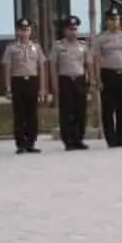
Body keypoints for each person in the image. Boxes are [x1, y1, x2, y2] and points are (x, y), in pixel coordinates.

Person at [2, 17, 46, 154]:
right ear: (17, 31)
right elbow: (7, 68)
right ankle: (20, 144)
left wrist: (42, 88)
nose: (24, 33)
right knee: (19, 114)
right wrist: (8, 87)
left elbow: (41, 68)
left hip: (32, 81)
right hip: (18, 81)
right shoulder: (11, 48)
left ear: (30, 31)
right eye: (21, 30)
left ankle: (31, 142)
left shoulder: (36, 47)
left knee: (32, 114)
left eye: (26, 30)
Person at [93, 7, 122, 148]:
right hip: (108, 74)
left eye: (116, 19)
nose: (114, 22)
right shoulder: (101, 38)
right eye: (111, 19)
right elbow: (97, 59)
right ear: (106, 21)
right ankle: (111, 139)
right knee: (108, 108)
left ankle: (121, 138)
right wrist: (98, 79)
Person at [51, 16, 89, 150]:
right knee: (66, 111)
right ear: (64, 30)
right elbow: (54, 66)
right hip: (65, 80)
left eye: (75, 29)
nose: (73, 32)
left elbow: (87, 64)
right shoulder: (58, 46)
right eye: (70, 29)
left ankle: (79, 138)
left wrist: (88, 81)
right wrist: (55, 85)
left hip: (79, 79)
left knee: (80, 111)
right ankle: (68, 140)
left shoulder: (83, 46)